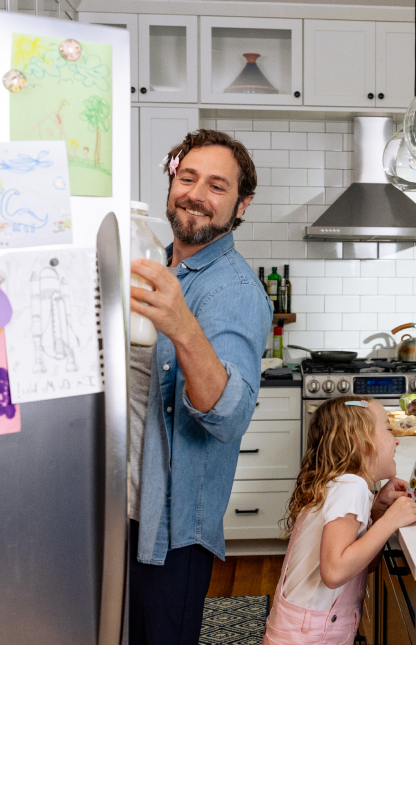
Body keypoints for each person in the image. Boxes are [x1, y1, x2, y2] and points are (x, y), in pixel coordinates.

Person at [126, 129, 274, 644]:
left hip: (168, 530)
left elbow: (230, 416)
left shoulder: (233, 291)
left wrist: (183, 325)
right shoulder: (154, 263)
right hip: (119, 509)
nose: (195, 194)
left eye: (216, 186)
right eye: (187, 178)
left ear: (241, 205)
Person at [263, 397, 416, 645]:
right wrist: (389, 522)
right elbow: (335, 572)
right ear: (360, 442)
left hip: (303, 631)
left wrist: (378, 512)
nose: (397, 439)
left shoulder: (344, 484)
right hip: (310, 638)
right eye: (388, 430)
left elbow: (360, 565)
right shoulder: (351, 487)